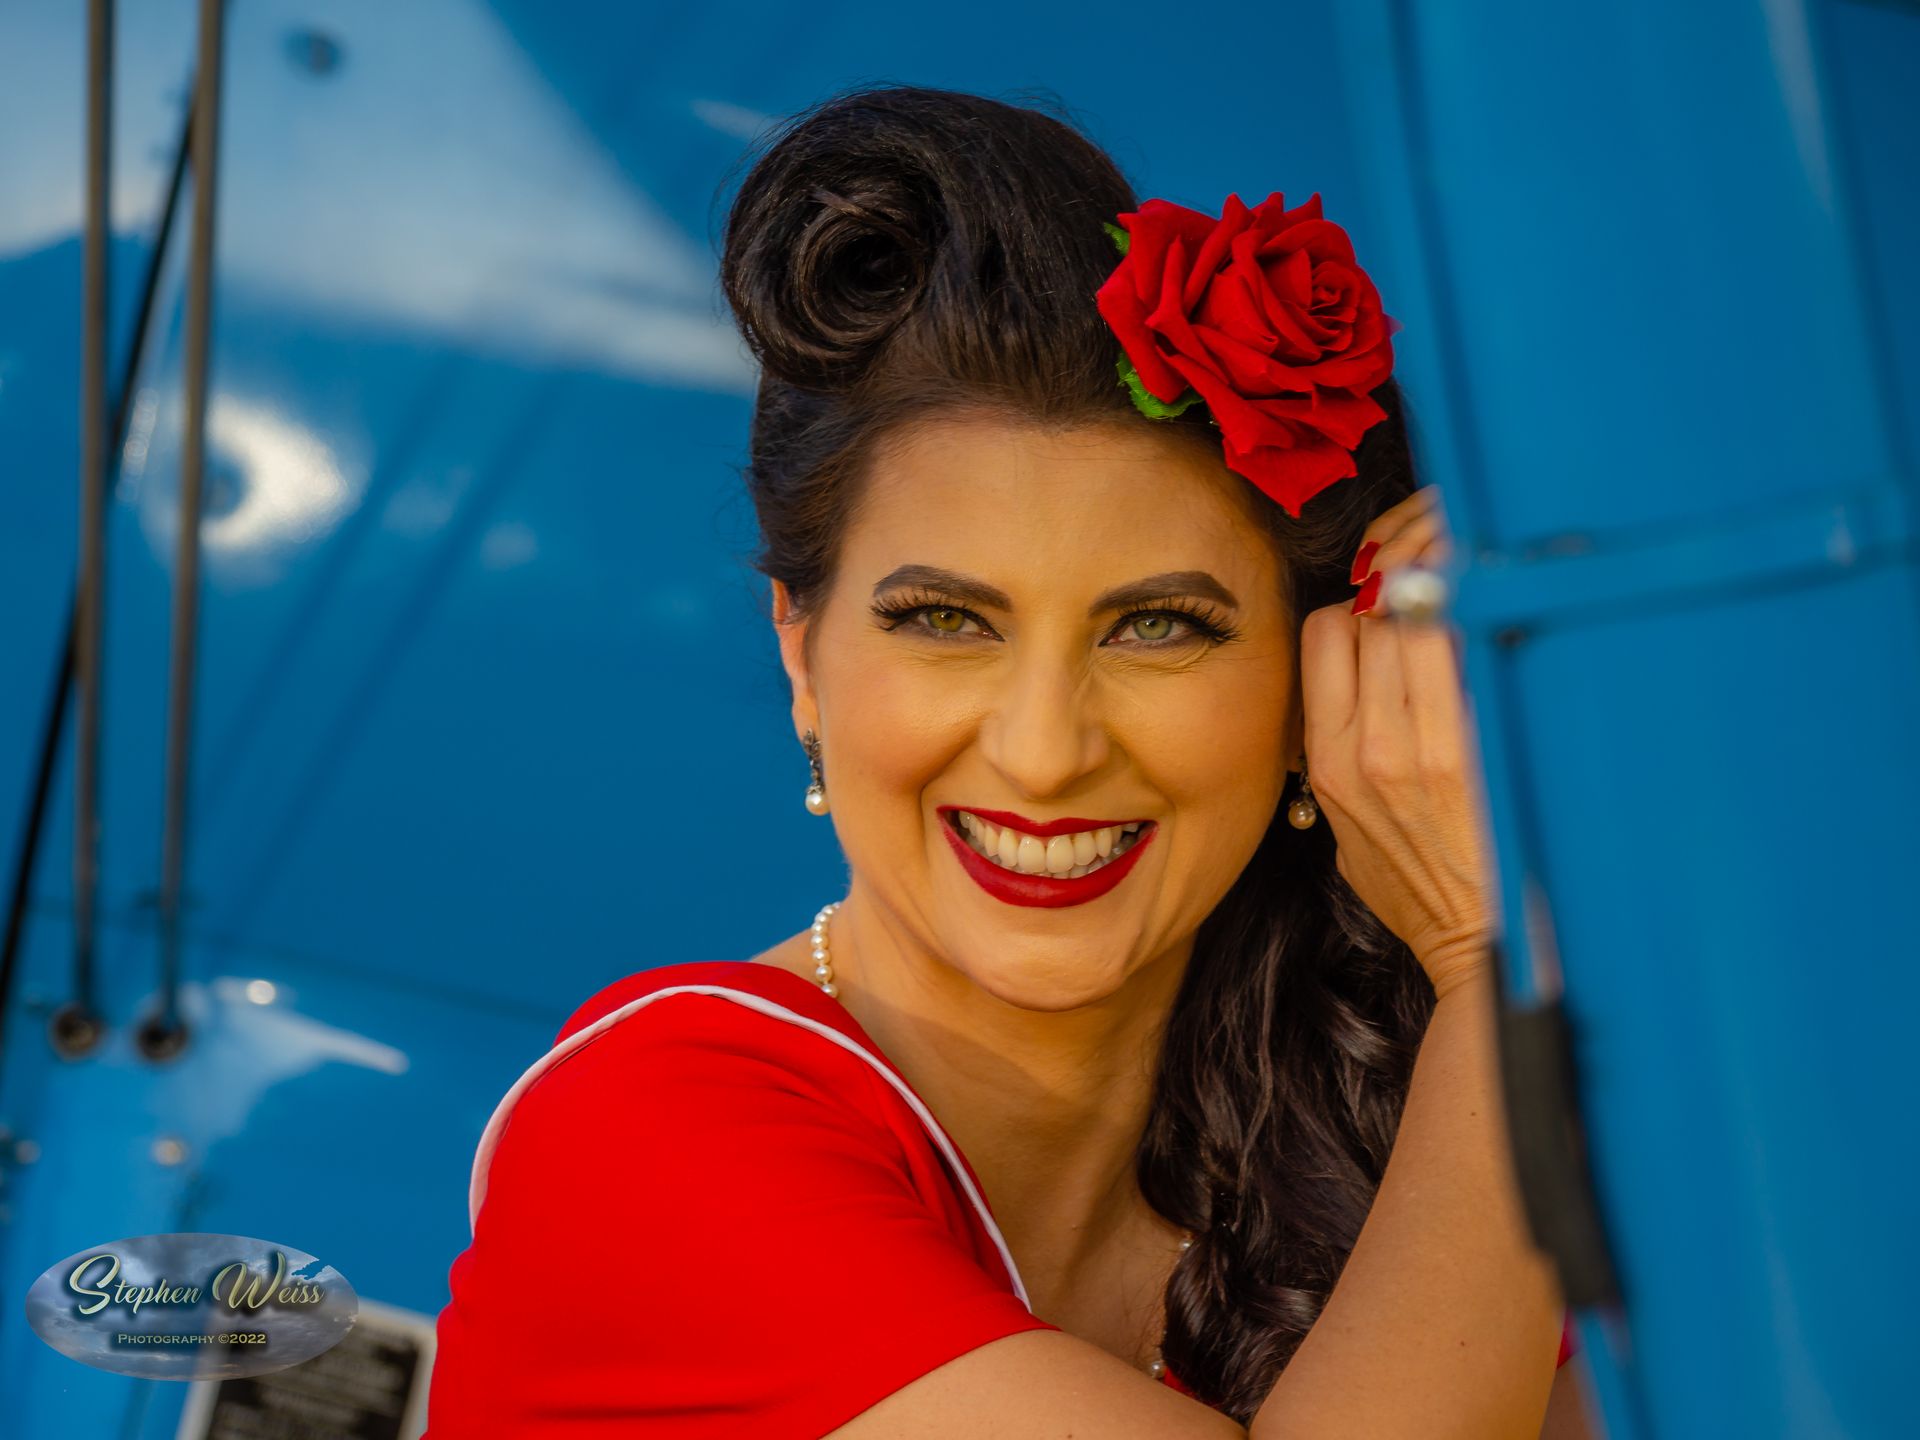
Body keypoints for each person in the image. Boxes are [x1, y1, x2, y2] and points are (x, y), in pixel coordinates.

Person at [423, 85, 1591, 1438]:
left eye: (1159, 627)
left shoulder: (1381, 1143)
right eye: (945, 621)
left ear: (1319, 684)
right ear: (801, 654)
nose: (1043, 755)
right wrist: (1493, 975)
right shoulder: (646, 1137)